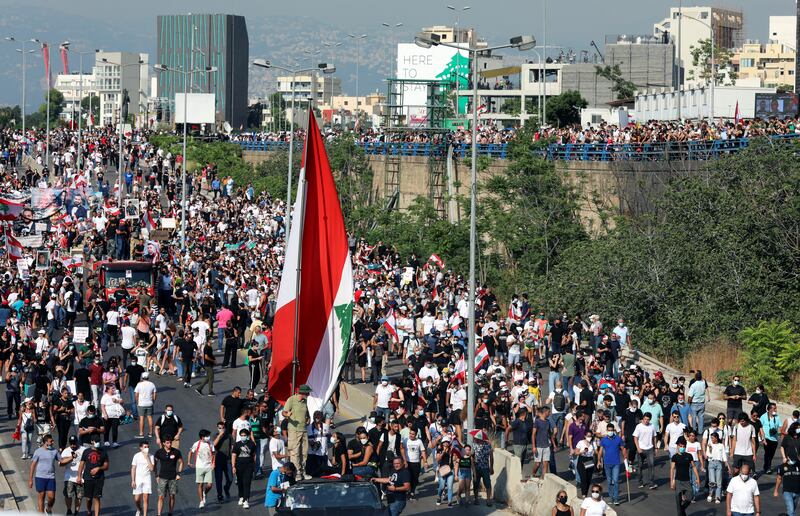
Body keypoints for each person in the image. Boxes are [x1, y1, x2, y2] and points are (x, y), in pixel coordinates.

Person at [282, 384, 311, 479]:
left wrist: (308, 418)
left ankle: (303, 471)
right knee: (295, 452)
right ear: (303, 392)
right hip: (294, 430)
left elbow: (306, 412)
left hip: (303, 430)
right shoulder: (291, 400)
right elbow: (284, 412)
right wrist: (287, 414)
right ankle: (297, 472)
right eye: (308, 392)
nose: (309, 394)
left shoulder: (305, 401)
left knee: (304, 452)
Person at [76, 436, 109, 516]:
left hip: (99, 478)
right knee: (88, 498)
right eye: (96, 441)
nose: (98, 443)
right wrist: (79, 476)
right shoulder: (86, 452)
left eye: (99, 441)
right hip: (88, 478)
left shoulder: (103, 452)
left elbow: (106, 466)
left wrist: (99, 468)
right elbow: (81, 465)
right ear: (92, 442)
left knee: (97, 498)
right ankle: (89, 511)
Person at [29, 433, 59, 514]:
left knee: (51, 497)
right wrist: (30, 480)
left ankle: (48, 509)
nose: (53, 442)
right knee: (41, 496)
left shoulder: (54, 451)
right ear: (46, 442)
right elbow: (33, 466)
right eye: (51, 441)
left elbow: (61, 460)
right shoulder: (38, 451)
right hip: (40, 477)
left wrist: (71, 457)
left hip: (51, 477)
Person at [670, 436, 700, 516]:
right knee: (678, 501)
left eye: (684, 446)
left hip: (687, 481)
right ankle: (680, 512)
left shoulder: (689, 456)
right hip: (678, 481)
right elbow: (672, 469)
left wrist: (697, 478)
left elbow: (693, 467)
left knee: (690, 496)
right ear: (677, 446)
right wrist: (672, 481)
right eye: (680, 446)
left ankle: (683, 508)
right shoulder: (675, 457)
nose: (682, 448)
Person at [154, 438, 183, 516]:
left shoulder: (176, 452)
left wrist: (179, 473)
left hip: (173, 478)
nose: (169, 444)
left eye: (170, 443)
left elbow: (181, 462)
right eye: (167, 443)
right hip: (162, 477)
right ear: (163, 443)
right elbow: (155, 464)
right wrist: (156, 476)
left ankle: (170, 512)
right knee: (161, 497)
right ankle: (159, 514)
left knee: (172, 496)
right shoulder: (159, 452)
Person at [598, 422, 625, 506]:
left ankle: (616, 498)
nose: (610, 431)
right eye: (609, 430)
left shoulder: (618, 439)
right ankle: (611, 498)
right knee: (609, 481)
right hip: (607, 463)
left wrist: (625, 459)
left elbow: (623, 448)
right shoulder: (603, 440)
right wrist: (599, 461)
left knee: (616, 480)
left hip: (616, 463)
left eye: (612, 430)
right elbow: (600, 451)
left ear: (614, 430)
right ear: (607, 430)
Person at [188, 429, 215, 508]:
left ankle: (204, 493)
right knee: (200, 484)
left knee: (209, 485)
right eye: (207, 436)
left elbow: (213, 453)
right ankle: (201, 501)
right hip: (199, 467)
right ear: (202, 437)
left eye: (208, 436)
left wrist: (213, 463)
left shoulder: (210, 444)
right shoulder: (197, 444)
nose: (208, 437)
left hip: (208, 466)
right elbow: (190, 452)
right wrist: (189, 462)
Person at [232, 428, 257, 509]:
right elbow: (234, 455)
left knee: (247, 482)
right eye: (241, 435)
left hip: (249, 466)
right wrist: (233, 466)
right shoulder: (237, 444)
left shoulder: (252, 444)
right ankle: (241, 497)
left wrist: (254, 465)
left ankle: (246, 500)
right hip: (239, 466)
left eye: (244, 435)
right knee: (240, 482)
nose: (243, 437)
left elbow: (254, 455)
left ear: (248, 436)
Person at [60, 435, 85, 516]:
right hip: (69, 477)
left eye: (74, 443)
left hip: (81, 478)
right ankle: (69, 509)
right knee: (68, 495)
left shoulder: (83, 450)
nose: (73, 445)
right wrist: (71, 458)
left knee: (79, 496)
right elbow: (61, 463)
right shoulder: (66, 451)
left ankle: (76, 511)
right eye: (71, 443)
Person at [633, 412, 657, 489]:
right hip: (641, 449)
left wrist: (655, 447)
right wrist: (638, 448)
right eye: (645, 419)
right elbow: (635, 438)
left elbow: (654, 437)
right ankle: (640, 482)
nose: (646, 421)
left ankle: (651, 483)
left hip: (650, 448)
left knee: (651, 465)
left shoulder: (652, 426)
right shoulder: (639, 426)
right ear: (643, 418)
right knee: (640, 466)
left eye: (648, 419)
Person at [130, 440, 154, 516]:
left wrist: (147, 458)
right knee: (137, 499)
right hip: (138, 478)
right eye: (145, 447)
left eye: (148, 447)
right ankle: (138, 509)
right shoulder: (136, 456)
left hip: (147, 478)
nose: (147, 448)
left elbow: (152, 469)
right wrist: (133, 480)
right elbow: (133, 468)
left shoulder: (151, 456)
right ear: (141, 448)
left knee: (145, 498)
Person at [705, 430, 728, 504]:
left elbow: (724, 455)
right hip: (711, 463)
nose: (712, 439)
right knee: (712, 481)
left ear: (716, 438)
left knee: (718, 482)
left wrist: (726, 464)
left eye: (713, 438)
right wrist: (710, 449)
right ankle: (710, 494)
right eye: (711, 438)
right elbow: (708, 454)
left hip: (719, 463)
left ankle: (717, 497)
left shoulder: (721, 445)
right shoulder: (709, 445)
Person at [133, 371, 157, 438]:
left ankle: (141, 433)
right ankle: (150, 433)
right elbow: (155, 394)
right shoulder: (152, 384)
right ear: (148, 377)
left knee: (141, 418)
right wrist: (153, 401)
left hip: (141, 403)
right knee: (150, 417)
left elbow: (136, 394)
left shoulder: (139, 384)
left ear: (142, 377)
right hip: (150, 403)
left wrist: (137, 401)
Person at [760, 402, 781, 475]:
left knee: (771, 455)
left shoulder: (777, 417)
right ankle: (768, 467)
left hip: (774, 439)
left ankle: (766, 465)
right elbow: (760, 428)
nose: (776, 409)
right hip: (766, 438)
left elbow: (780, 426)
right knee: (767, 453)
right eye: (774, 408)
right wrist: (763, 438)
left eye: (776, 408)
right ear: (769, 409)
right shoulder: (763, 417)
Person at [575, 430, 597, 498]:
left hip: (589, 460)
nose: (589, 437)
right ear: (585, 436)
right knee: (583, 478)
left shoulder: (593, 443)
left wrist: (594, 452)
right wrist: (582, 451)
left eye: (590, 436)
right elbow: (576, 452)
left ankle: (586, 493)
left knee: (588, 478)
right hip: (582, 460)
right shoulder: (580, 442)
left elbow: (596, 452)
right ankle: (583, 494)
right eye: (588, 436)